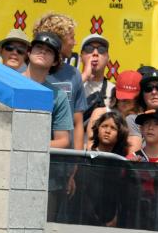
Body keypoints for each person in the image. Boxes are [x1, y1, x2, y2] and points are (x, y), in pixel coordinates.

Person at [34, 13, 88, 150]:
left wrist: (78, 158)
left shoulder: (74, 74)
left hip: (63, 154)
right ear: (59, 40)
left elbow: (77, 122)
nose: (75, 42)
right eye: (72, 37)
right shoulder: (31, 70)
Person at [22, 32, 74, 149]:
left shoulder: (58, 96)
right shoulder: (11, 82)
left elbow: (63, 140)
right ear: (29, 52)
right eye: (39, 47)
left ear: (55, 61)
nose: (43, 51)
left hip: (38, 162)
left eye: (49, 50)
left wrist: (32, 147)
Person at [85, 70, 142, 148]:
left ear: (138, 97)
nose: (124, 100)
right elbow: (90, 145)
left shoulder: (142, 118)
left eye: (129, 98)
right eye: (122, 96)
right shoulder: (100, 113)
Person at [80, 34, 113, 126]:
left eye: (101, 50)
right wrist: (84, 77)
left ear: (107, 59)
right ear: (81, 56)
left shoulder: (115, 91)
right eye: (89, 49)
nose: (95, 53)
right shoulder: (71, 84)